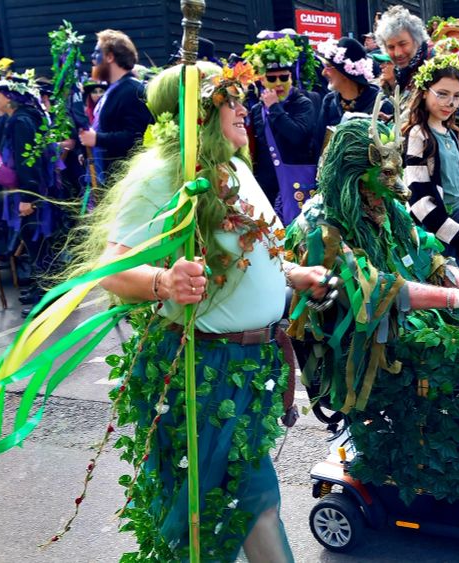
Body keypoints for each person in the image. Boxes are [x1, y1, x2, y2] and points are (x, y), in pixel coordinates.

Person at [63, 61, 334, 561]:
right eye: (226, 97)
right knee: (207, 521)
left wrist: (296, 276)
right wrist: (164, 281)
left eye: (240, 95)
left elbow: (260, 255)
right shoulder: (165, 172)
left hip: (255, 369)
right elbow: (109, 267)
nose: (241, 106)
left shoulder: (237, 168)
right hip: (203, 371)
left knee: (253, 502)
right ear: (195, 113)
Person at [286, 114, 459, 415]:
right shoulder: (320, 226)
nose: (401, 190)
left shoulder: (386, 206)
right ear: (354, 176)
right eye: (386, 176)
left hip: (406, 331)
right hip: (365, 353)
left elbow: (429, 256)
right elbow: (374, 289)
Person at [403, 52, 459, 269]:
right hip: (436, 235)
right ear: (425, 92)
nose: (450, 103)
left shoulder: (453, 132)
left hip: (458, 227)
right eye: (442, 94)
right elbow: (419, 201)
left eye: (457, 96)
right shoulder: (419, 134)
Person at [0, 74, 59, 312]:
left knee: (38, 243)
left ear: (10, 97)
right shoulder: (13, 120)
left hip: (30, 195)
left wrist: (28, 198)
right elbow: (5, 161)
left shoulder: (21, 122)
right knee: (33, 243)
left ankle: (48, 296)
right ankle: (41, 287)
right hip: (22, 193)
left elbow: (27, 164)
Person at [243, 36, 321, 225]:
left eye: (284, 77)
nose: (278, 83)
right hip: (268, 185)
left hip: (296, 181)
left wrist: (275, 109)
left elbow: (298, 136)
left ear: (291, 77)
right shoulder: (256, 110)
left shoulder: (303, 103)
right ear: (262, 80)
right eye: (272, 78)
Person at [78, 30, 154, 185]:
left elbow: (137, 138)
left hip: (126, 181)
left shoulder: (133, 90)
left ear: (110, 57)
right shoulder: (113, 90)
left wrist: (97, 139)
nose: (93, 59)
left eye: (97, 52)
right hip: (108, 179)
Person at [316, 37, 390, 127]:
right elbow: (318, 139)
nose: (323, 73)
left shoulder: (380, 103)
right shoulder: (329, 102)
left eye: (328, 66)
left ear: (344, 73)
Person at [374, 4, 431, 99]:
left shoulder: (434, 66)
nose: (398, 53)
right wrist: (392, 84)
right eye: (391, 47)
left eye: (403, 44)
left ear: (416, 40)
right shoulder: (396, 72)